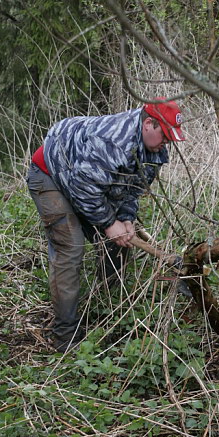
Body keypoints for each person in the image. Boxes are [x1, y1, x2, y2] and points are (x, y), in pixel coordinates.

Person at [27, 100, 185, 352]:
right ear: (148, 123)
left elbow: (133, 189)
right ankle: (65, 337)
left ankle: (105, 308)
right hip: (51, 175)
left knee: (118, 244)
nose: (167, 142)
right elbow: (83, 188)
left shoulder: (154, 149)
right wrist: (109, 223)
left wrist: (126, 219)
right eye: (165, 135)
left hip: (88, 183)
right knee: (70, 248)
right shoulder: (112, 141)